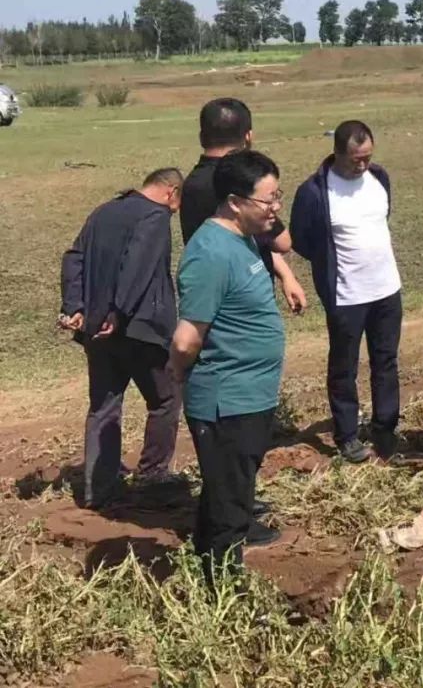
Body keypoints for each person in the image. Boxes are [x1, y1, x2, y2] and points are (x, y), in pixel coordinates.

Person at [170, 150, 286, 588]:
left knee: (228, 493)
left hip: (249, 395)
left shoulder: (242, 239)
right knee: (230, 506)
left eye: (278, 195)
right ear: (236, 201)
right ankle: (223, 592)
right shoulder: (210, 254)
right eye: (269, 199)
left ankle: (210, 575)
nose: (276, 207)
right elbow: (185, 339)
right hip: (226, 401)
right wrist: (183, 375)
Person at [59, 168, 185, 509]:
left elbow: (74, 259)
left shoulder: (104, 211)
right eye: (177, 204)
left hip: (97, 329)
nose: (174, 212)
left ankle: (98, 491)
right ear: (171, 192)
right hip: (139, 329)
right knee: (166, 398)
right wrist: (120, 312)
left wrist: (75, 307)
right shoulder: (155, 216)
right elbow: (139, 267)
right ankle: (152, 476)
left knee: (104, 407)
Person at [291, 120, 402, 463]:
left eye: (367, 156)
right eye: (355, 158)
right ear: (337, 153)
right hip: (346, 295)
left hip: (386, 289)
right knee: (344, 367)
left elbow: (382, 219)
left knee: (386, 362)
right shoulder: (314, 191)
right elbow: (302, 239)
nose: (362, 164)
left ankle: (385, 430)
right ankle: (348, 435)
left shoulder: (379, 178)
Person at [180, 98, 306, 315]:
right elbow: (282, 242)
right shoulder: (240, 181)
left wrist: (286, 274)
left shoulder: (192, 184)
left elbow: (248, 237)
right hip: (244, 297)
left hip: (207, 293)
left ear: (202, 137)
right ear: (248, 137)